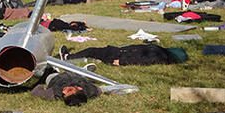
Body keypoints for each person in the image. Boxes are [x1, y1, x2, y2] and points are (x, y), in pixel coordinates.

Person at [59, 44, 188, 66]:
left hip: (119, 56)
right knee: (95, 53)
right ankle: (73, 58)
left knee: (92, 51)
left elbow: (141, 61)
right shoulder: (160, 52)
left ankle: (68, 58)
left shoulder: (158, 56)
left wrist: (122, 61)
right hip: (121, 52)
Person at [30, 71, 100, 107]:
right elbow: (101, 89)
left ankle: (54, 69)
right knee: (83, 78)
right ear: (79, 88)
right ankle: (84, 72)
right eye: (70, 90)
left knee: (49, 74)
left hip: (56, 76)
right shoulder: (91, 90)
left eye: (64, 95)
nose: (64, 91)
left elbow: (35, 91)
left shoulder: (53, 93)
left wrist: (44, 87)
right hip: (78, 75)